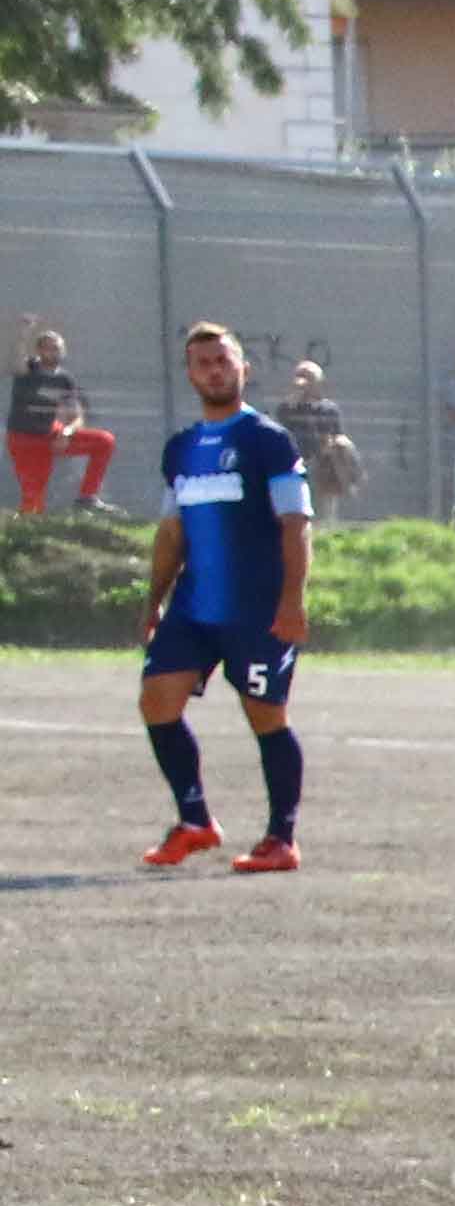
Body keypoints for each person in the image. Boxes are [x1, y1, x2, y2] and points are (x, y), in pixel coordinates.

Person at [131, 322, 312, 876]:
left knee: (265, 717)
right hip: (192, 607)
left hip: (256, 608)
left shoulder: (268, 440)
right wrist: (154, 600)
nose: (214, 370)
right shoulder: (181, 448)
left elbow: (296, 524)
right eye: (203, 363)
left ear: (243, 368)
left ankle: (281, 839)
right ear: (190, 375)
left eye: (223, 360)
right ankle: (195, 823)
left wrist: (292, 601)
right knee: (157, 702)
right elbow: (171, 533)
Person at [11, 326, 115, 517]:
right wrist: (23, 334)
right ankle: (27, 533)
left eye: (57, 348)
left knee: (104, 441)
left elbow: (76, 416)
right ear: (39, 351)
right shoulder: (29, 369)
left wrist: (66, 432)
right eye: (48, 348)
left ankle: (87, 497)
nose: (54, 352)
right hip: (24, 439)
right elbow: (18, 363)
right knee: (33, 497)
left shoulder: (65, 379)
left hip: (51, 435)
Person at [280, 360, 367, 514]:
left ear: (317, 382)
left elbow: (337, 434)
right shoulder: (287, 407)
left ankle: (351, 482)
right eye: (300, 376)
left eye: (308, 378)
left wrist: (335, 444)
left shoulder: (329, 409)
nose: (304, 383)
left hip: (323, 465)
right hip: (295, 465)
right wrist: (296, 402)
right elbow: (283, 433)